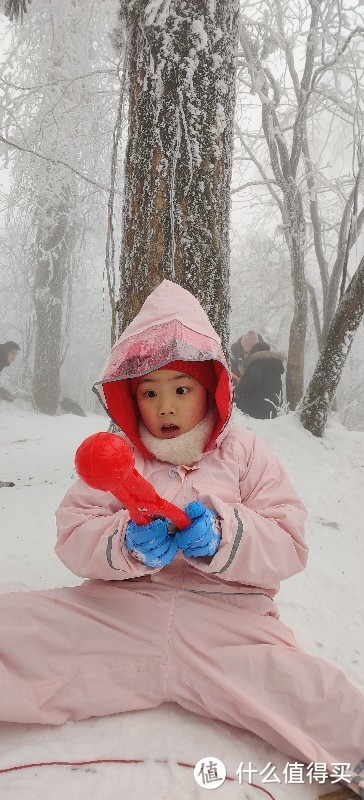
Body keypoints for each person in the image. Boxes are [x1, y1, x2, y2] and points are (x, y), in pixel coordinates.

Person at [0, 280, 363, 799]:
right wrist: (122, 543)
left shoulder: (245, 453)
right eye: (150, 392)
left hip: (229, 620)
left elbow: (288, 540)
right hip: (118, 610)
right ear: (130, 397)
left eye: (181, 388)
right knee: (18, 629)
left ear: (212, 388)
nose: (165, 406)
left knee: (313, 693)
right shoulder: (118, 457)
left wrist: (225, 536)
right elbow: (73, 531)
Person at [235, 339, 285, 419]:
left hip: (260, 408)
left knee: (232, 404)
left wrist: (234, 391)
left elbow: (250, 383)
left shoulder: (258, 363)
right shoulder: (274, 366)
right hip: (273, 409)